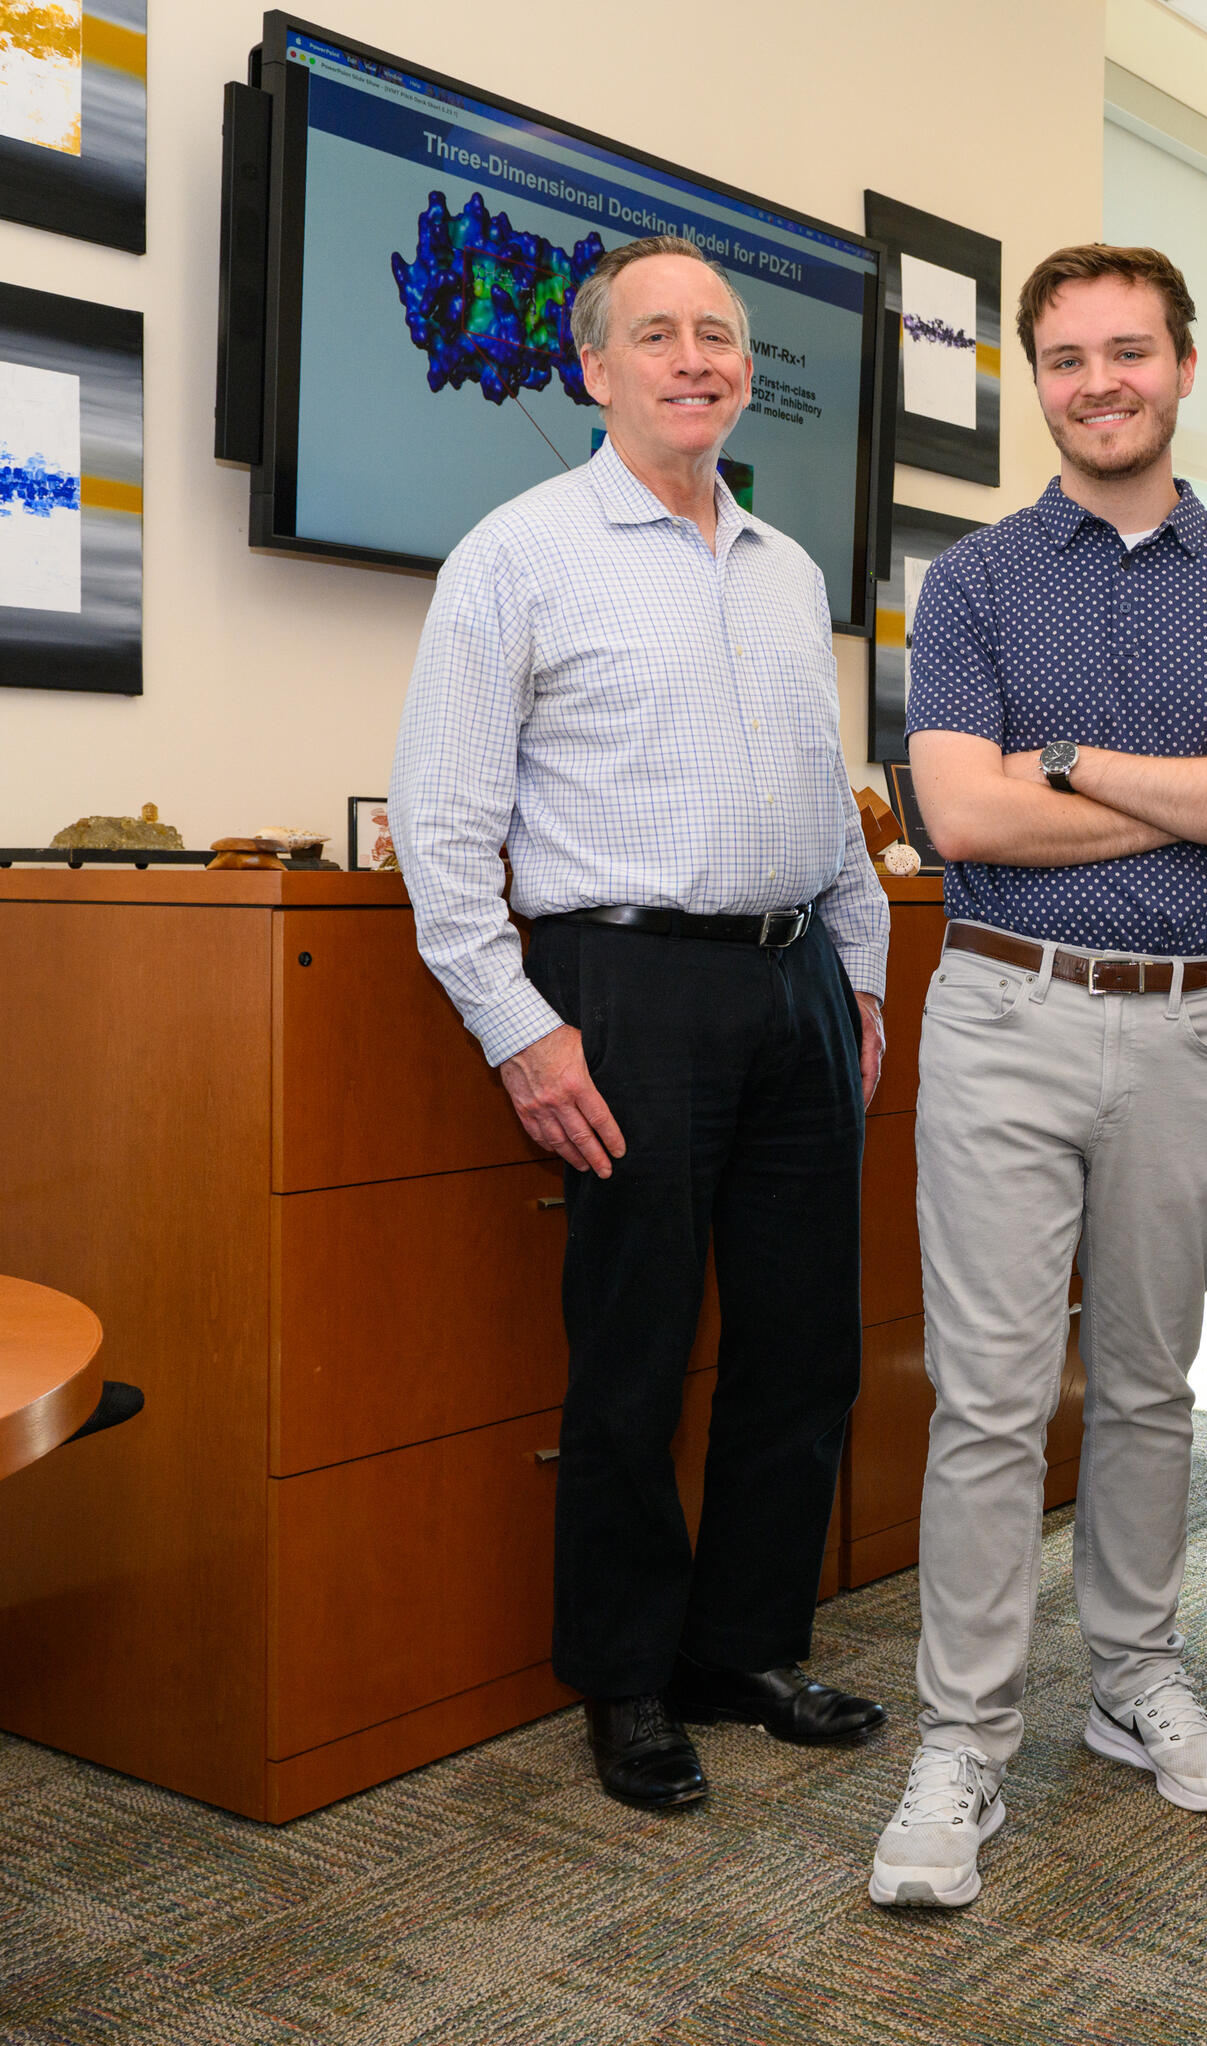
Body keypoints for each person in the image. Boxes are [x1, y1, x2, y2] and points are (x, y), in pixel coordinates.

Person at [392, 235, 890, 1814]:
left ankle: (740, 1650)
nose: (698, 358)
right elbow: (441, 819)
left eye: (721, 336)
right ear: (594, 369)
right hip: (626, 994)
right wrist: (518, 1031)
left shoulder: (787, 565)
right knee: (632, 1352)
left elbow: (830, 805)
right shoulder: (518, 554)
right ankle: (622, 1678)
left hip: (798, 979)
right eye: (658, 335)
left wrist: (863, 973)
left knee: (804, 1349)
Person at [867, 244, 1207, 1910]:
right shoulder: (975, 581)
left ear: (1183, 366)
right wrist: (1185, 785)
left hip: (1198, 1025)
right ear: (1036, 383)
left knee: (1147, 1385)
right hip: (1008, 1013)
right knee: (992, 1401)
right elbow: (964, 822)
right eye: (1063, 359)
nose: (1097, 382)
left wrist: (1062, 757)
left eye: (1127, 351)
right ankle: (965, 1742)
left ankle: (1136, 1683)